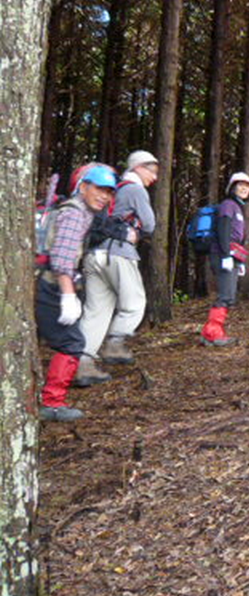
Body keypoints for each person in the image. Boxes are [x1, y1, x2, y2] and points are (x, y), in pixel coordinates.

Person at [36, 165, 129, 421]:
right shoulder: (75, 214)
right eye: (99, 189)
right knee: (72, 343)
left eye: (109, 192)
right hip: (52, 287)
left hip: (51, 284)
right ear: (83, 186)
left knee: (68, 341)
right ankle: (53, 403)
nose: (105, 196)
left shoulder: (80, 213)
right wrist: (67, 296)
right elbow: (62, 259)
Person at [74, 150, 158, 387]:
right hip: (118, 253)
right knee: (135, 304)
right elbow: (150, 224)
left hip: (94, 254)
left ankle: (82, 365)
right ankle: (115, 344)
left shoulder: (112, 191)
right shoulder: (135, 189)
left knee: (95, 313)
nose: (154, 176)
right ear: (138, 168)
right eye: (151, 170)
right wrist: (138, 233)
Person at [200, 172, 249, 347]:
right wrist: (225, 256)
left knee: (229, 295)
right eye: (240, 185)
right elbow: (223, 230)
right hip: (222, 254)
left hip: (232, 256)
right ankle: (213, 333)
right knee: (225, 295)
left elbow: (237, 238)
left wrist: (240, 262)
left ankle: (211, 332)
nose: (244, 189)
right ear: (232, 187)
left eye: (247, 186)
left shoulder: (238, 208)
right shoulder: (228, 205)